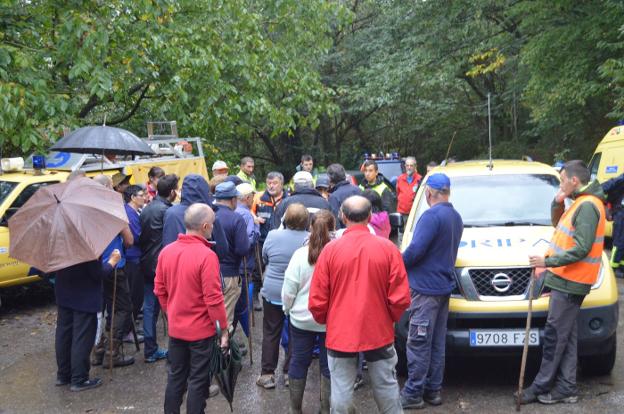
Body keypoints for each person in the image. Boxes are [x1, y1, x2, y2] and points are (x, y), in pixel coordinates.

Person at [309, 196, 410, 413]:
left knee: (341, 392)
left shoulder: (330, 251)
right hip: (378, 331)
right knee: (386, 387)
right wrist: (387, 318)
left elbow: (317, 300)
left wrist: (330, 320)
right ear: (370, 216)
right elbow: (400, 298)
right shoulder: (389, 249)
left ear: (343, 216)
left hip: (341, 334)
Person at [520, 160, 606, 405]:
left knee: (555, 337)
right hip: (565, 280)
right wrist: (556, 202)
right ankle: (567, 387)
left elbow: (581, 248)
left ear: (574, 180)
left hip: (571, 281)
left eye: (562, 180)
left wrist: (546, 263)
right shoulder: (579, 202)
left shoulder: (588, 205)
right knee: (565, 337)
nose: (561, 184)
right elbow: (559, 226)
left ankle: (540, 386)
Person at [154, 203, 229, 414]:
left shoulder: (166, 252)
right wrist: (223, 330)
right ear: (205, 226)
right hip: (201, 332)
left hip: (177, 329)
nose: (213, 228)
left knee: (176, 376)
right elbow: (213, 299)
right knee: (198, 380)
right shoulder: (207, 256)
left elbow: (159, 290)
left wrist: (171, 313)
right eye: (212, 224)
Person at [400, 173, 463, 409]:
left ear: (428, 193)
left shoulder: (430, 217)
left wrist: (397, 262)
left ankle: (413, 393)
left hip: (425, 290)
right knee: (436, 342)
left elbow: (416, 251)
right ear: (447, 192)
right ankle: (433, 390)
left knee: (418, 341)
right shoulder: (455, 217)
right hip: (443, 287)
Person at [282, 210, 335, 413]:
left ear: (310, 228)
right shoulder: (338, 255)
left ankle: (295, 409)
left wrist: (287, 309)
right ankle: (324, 409)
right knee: (328, 364)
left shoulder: (299, 255)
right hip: (330, 320)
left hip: (301, 318)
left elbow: (289, 289)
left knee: (299, 360)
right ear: (333, 229)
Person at [257, 204, 310, 390]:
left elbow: (265, 258)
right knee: (296, 334)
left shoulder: (272, 235)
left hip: (272, 291)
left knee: (271, 332)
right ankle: (289, 373)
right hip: (297, 293)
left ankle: (267, 374)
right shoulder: (309, 239)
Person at [55, 250, 121, 392]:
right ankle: (79, 378)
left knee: (64, 334)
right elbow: (97, 274)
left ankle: (63, 375)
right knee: (82, 338)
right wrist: (112, 262)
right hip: (84, 297)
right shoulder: (85, 243)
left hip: (64, 292)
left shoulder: (59, 239)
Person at [91, 174, 135, 368]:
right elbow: (129, 239)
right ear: (109, 187)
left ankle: (98, 350)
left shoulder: (88, 208)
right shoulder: (112, 208)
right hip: (115, 263)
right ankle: (112, 352)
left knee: (105, 308)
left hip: (96, 264)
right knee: (122, 308)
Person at [139, 174, 179, 363]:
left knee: (150, 307)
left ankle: (150, 349)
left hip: (147, 262)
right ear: (172, 192)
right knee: (170, 306)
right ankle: (175, 347)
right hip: (161, 265)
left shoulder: (147, 208)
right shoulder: (168, 211)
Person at [213, 181, 250, 328]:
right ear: (233, 199)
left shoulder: (208, 214)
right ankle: (222, 350)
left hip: (207, 272)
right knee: (225, 318)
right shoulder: (236, 218)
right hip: (229, 274)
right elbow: (242, 249)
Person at [252, 172, 289, 310]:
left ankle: (283, 296)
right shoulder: (258, 198)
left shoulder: (288, 199)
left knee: (282, 269)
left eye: (274, 183)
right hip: (262, 240)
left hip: (281, 241)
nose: (271, 186)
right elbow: (248, 211)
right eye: (269, 183)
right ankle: (255, 297)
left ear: (282, 184)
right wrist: (253, 218)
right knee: (257, 269)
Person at [123, 185, 147, 343]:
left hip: (133, 257)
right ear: (132, 197)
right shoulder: (129, 214)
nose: (145, 197)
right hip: (133, 259)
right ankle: (126, 331)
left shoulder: (132, 211)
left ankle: (129, 327)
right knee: (134, 295)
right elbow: (138, 237)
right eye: (141, 194)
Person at [602, 173, 624, 277]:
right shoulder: (620, 180)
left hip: (620, 213)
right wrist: (606, 205)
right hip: (620, 214)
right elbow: (604, 187)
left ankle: (621, 266)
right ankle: (613, 267)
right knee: (619, 242)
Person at [327, 163, 361, 229]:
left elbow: (335, 221)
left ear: (330, 179)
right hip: (362, 231)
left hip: (345, 233)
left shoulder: (334, 196)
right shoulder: (358, 190)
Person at [396, 157, 422, 223]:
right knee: (402, 233)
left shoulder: (420, 179)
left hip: (414, 213)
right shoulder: (400, 178)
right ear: (405, 166)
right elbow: (398, 193)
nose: (409, 167)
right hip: (401, 213)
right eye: (407, 165)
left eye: (411, 165)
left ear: (415, 166)